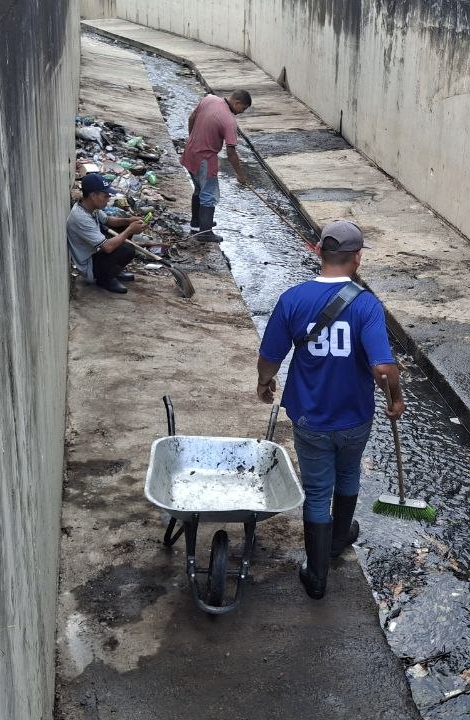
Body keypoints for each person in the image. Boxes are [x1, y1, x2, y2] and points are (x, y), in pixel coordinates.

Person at [255, 220, 405, 600]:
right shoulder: (366, 305)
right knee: (349, 471)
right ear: (357, 258)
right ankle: (339, 539)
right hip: (355, 416)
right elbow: (383, 368)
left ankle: (317, 575)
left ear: (318, 251)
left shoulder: (292, 299)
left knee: (318, 490)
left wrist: (265, 381)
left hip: (310, 418)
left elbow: (270, 356)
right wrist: (395, 398)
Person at [180, 89, 252, 242]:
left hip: (190, 151)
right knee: (209, 195)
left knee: (199, 189)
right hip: (205, 159)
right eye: (243, 108)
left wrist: (193, 138)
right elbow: (231, 152)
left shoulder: (209, 99)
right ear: (237, 103)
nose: (242, 112)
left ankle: (197, 224)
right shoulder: (229, 121)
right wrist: (240, 175)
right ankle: (205, 233)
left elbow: (191, 118)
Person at [66, 173, 145, 294]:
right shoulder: (80, 217)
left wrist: (129, 221)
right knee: (127, 249)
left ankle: (113, 271)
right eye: (105, 196)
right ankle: (105, 278)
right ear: (93, 195)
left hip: (95, 253)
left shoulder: (90, 208)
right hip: (89, 265)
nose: (108, 199)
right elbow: (107, 248)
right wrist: (130, 229)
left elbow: (108, 220)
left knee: (123, 232)